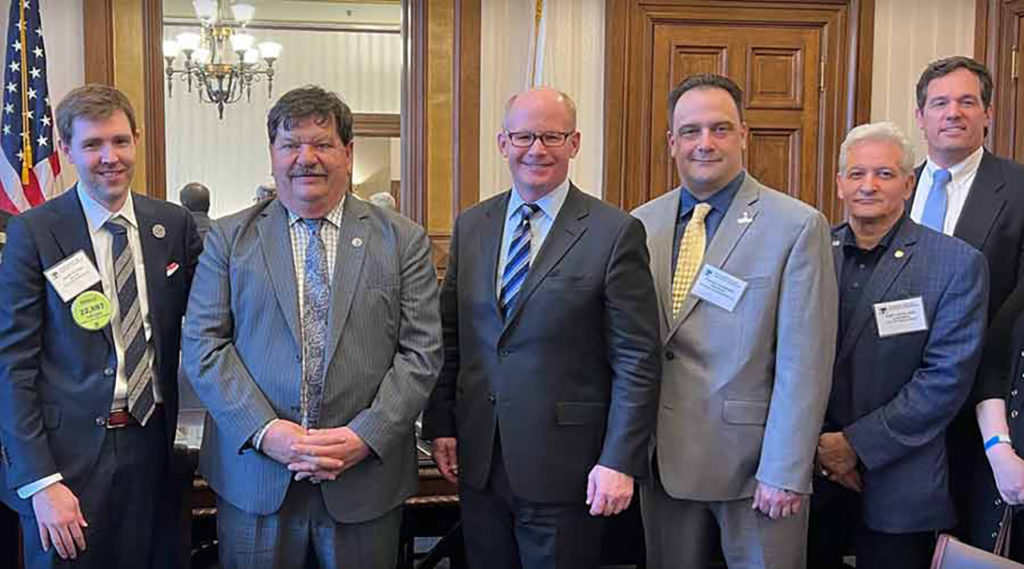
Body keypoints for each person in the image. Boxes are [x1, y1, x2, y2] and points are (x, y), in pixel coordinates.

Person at [182, 85, 442, 569]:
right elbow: (204, 345)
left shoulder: (402, 240)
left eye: (322, 144)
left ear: (348, 152)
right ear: (272, 154)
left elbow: (421, 352)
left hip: (364, 480)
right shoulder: (229, 239)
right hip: (255, 476)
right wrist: (265, 431)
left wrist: (365, 436)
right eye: (291, 145)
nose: (307, 158)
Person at [422, 87, 661, 569]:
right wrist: (442, 424)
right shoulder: (473, 225)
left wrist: (619, 459)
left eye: (552, 136)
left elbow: (637, 358)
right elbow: (451, 334)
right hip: (480, 462)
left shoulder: (614, 232)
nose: (537, 149)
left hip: (567, 468)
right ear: (503, 143)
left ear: (574, 143)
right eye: (524, 136)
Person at [631, 73, 837, 569]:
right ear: (672, 142)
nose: (705, 143)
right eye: (691, 131)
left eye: (720, 128)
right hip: (662, 461)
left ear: (743, 134)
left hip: (756, 471)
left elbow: (805, 362)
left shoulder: (796, 225)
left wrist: (786, 469)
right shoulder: (640, 224)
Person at [0, 84, 202, 568]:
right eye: (92, 145)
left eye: (119, 141)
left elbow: (212, 322)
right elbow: (12, 364)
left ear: (137, 139)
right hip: (64, 463)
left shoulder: (173, 226)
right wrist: (41, 481)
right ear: (66, 149)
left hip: (153, 448)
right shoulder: (34, 231)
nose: (110, 157)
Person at [808, 122, 988, 569]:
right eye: (856, 174)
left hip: (901, 482)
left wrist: (853, 445)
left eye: (884, 174)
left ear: (908, 184)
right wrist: (820, 445)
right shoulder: (809, 252)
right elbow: (781, 357)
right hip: (810, 479)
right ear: (840, 184)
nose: (868, 185)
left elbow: (944, 380)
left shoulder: (956, 263)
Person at [909, 55, 1024, 538]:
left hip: (980, 411)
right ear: (920, 116)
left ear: (988, 112)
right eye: (939, 103)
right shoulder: (893, 186)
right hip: (897, 416)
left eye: (967, 102)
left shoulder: (1018, 189)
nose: (952, 113)